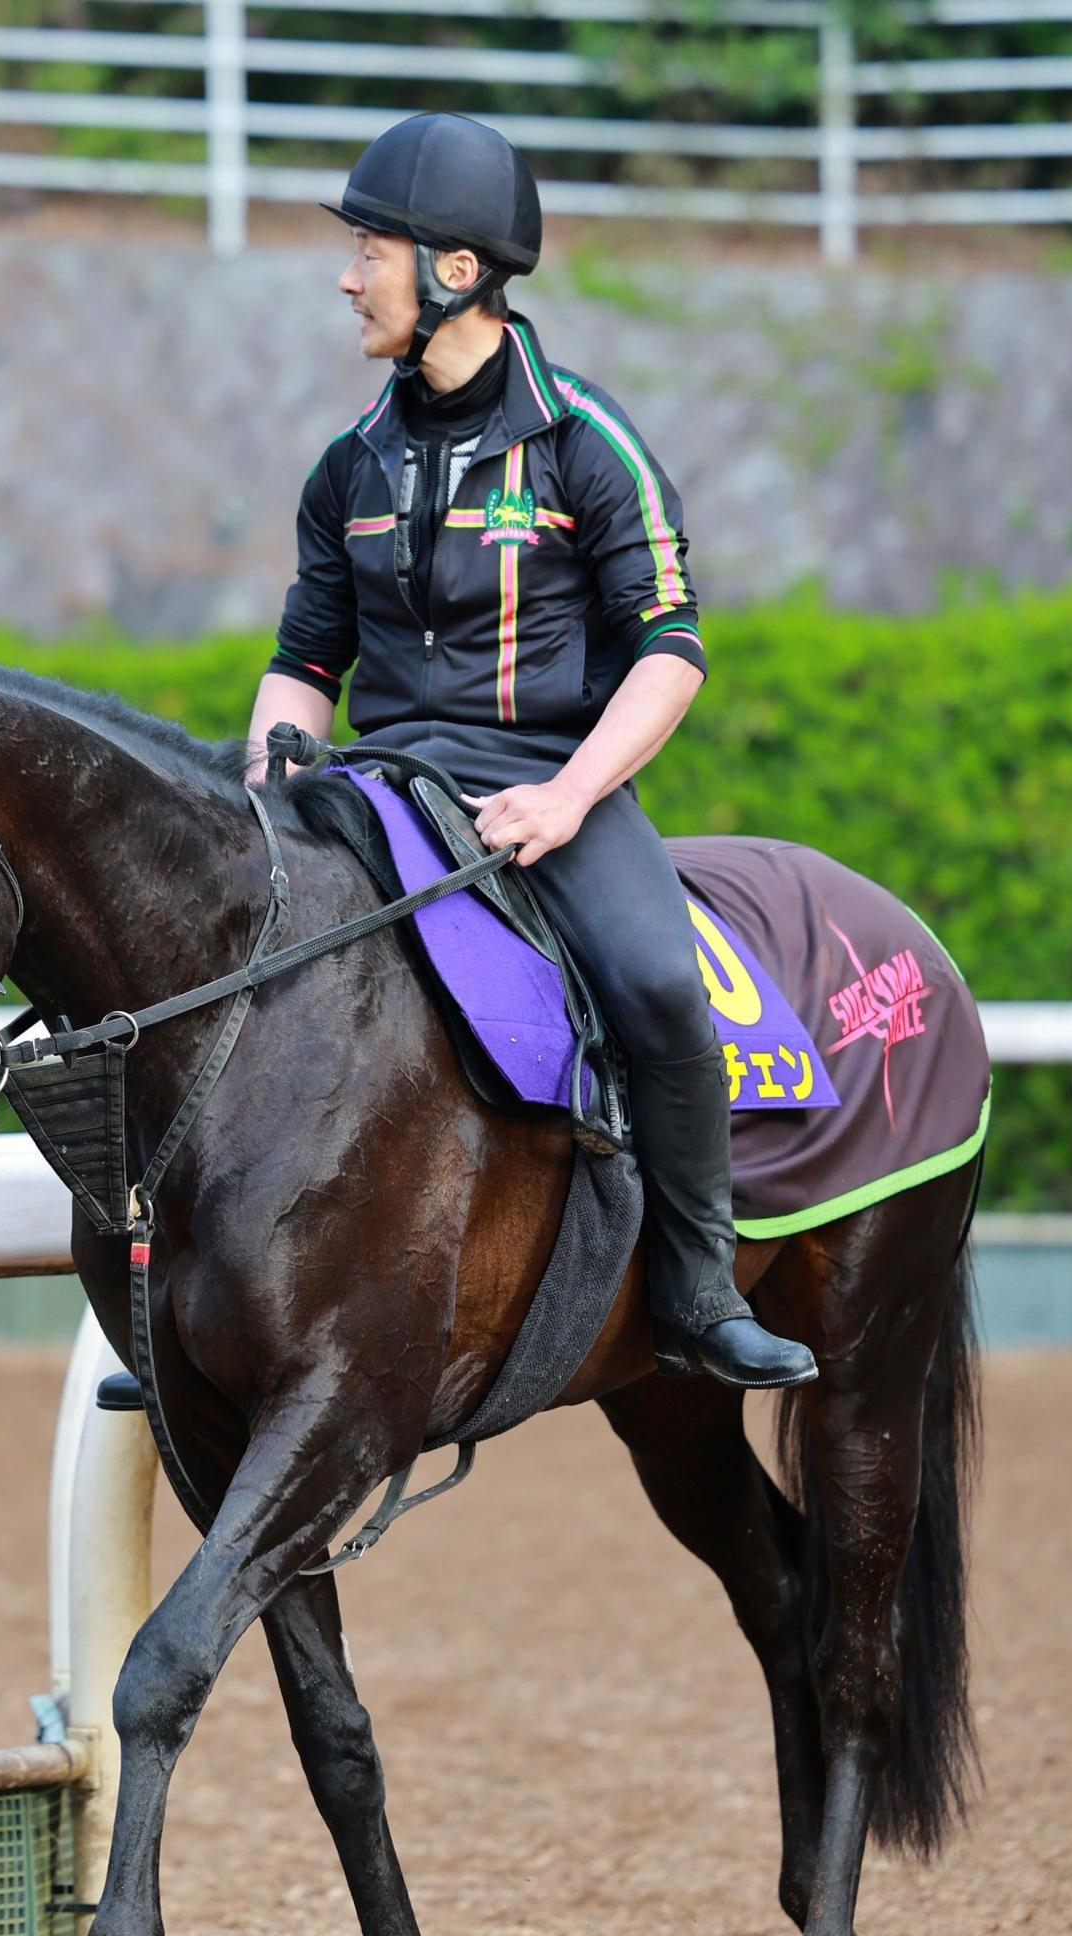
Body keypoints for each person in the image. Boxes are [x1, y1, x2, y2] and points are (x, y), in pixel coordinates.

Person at [245, 112, 815, 1389]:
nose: (346, 275)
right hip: (377, 790)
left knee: (662, 988)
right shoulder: (347, 468)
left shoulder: (584, 442)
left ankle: (695, 1285)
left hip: (548, 785)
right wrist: (271, 773)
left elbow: (669, 647)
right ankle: (206, 1307)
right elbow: (304, 666)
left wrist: (565, 797)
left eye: (367, 248)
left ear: (454, 270)